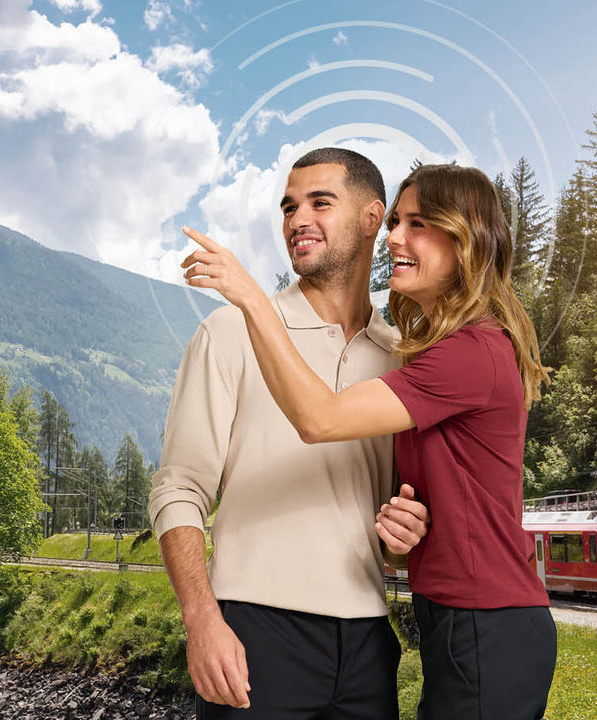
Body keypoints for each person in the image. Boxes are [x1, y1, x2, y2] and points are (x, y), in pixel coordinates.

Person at [181, 162, 556, 720]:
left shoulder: (464, 353)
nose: (397, 239)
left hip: (482, 623)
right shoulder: (428, 355)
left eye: (420, 224)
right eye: (398, 223)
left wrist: (252, 300)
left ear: (467, 241)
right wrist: (402, 531)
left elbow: (319, 419)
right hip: (454, 621)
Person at [148, 148, 431, 719]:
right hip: (254, 633)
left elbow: (392, 527)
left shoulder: (404, 356)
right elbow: (177, 488)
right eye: (288, 207)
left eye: (320, 203)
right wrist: (203, 621)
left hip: (370, 642)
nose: (298, 220)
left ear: (373, 217)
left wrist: (404, 537)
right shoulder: (229, 332)